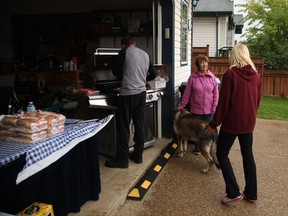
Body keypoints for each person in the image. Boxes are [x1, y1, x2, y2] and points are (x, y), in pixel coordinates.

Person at [206, 44, 261, 205]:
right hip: (248, 124)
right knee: (248, 155)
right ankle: (251, 194)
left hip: (232, 123)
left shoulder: (230, 75)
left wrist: (214, 123)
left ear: (234, 55)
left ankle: (234, 192)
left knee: (222, 154)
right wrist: (251, 117)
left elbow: (223, 104)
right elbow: (257, 102)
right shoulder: (256, 76)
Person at [105, 35, 157, 168]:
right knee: (139, 125)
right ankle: (138, 156)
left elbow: (115, 71)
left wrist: (124, 75)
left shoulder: (124, 52)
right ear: (135, 44)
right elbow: (154, 74)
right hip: (141, 94)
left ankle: (122, 160)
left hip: (127, 94)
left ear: (123, 45)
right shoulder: (145, 54)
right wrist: (142, 80)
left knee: (123, 127)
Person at [177, 55, 218, 154]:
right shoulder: (193, 77)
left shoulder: (212, 77)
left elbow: (216, 94)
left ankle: (210, 148)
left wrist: (214, 107)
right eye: (201, 63)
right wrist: (181, 106)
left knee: (209, 130)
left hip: (209, 110)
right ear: (198, 65)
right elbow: (187, 94)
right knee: (197, 130)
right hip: (196, 110)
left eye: (205, 62)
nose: (204, 65)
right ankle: (198, 147)